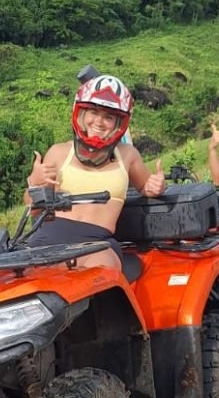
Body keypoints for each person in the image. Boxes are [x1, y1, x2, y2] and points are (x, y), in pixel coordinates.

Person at [24, 74, 165, 270]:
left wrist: (156, 186)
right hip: (47, 241)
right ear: (81, 113)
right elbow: (33, 210)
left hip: (96, 244)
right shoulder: (58, 152)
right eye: (93, 112)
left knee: (100, 275)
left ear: (119, 123)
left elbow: (146, 186)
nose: (99, 122)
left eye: (108, 117)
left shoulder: (128, 155)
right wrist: (35, 182)